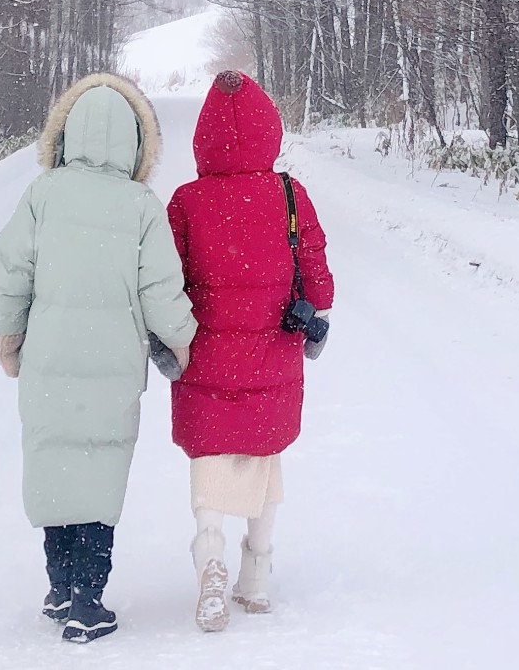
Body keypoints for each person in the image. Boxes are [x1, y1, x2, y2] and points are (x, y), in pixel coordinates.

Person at [0, 72, 195, 644]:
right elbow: (162, 290)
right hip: (114, 364)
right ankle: (86, 599)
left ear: (66, 134)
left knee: (55, 463)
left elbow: (7, 272)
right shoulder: (141, 205)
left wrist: (8, 334)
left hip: (49, 357)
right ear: (134, 143)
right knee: (100, 468)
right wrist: (180, 339)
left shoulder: (42, 196)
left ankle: (57, 585)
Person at [167, 69, 335, 633]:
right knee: (263, 453)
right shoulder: (289, 192)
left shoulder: (187, 201)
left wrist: (168, 332)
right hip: (273, 351)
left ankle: (209, 558)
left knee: (212, 455)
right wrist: (318, 311)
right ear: (269, 128)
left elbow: (168, 279)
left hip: (207, 352)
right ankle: (256, 577)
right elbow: (313, 263)